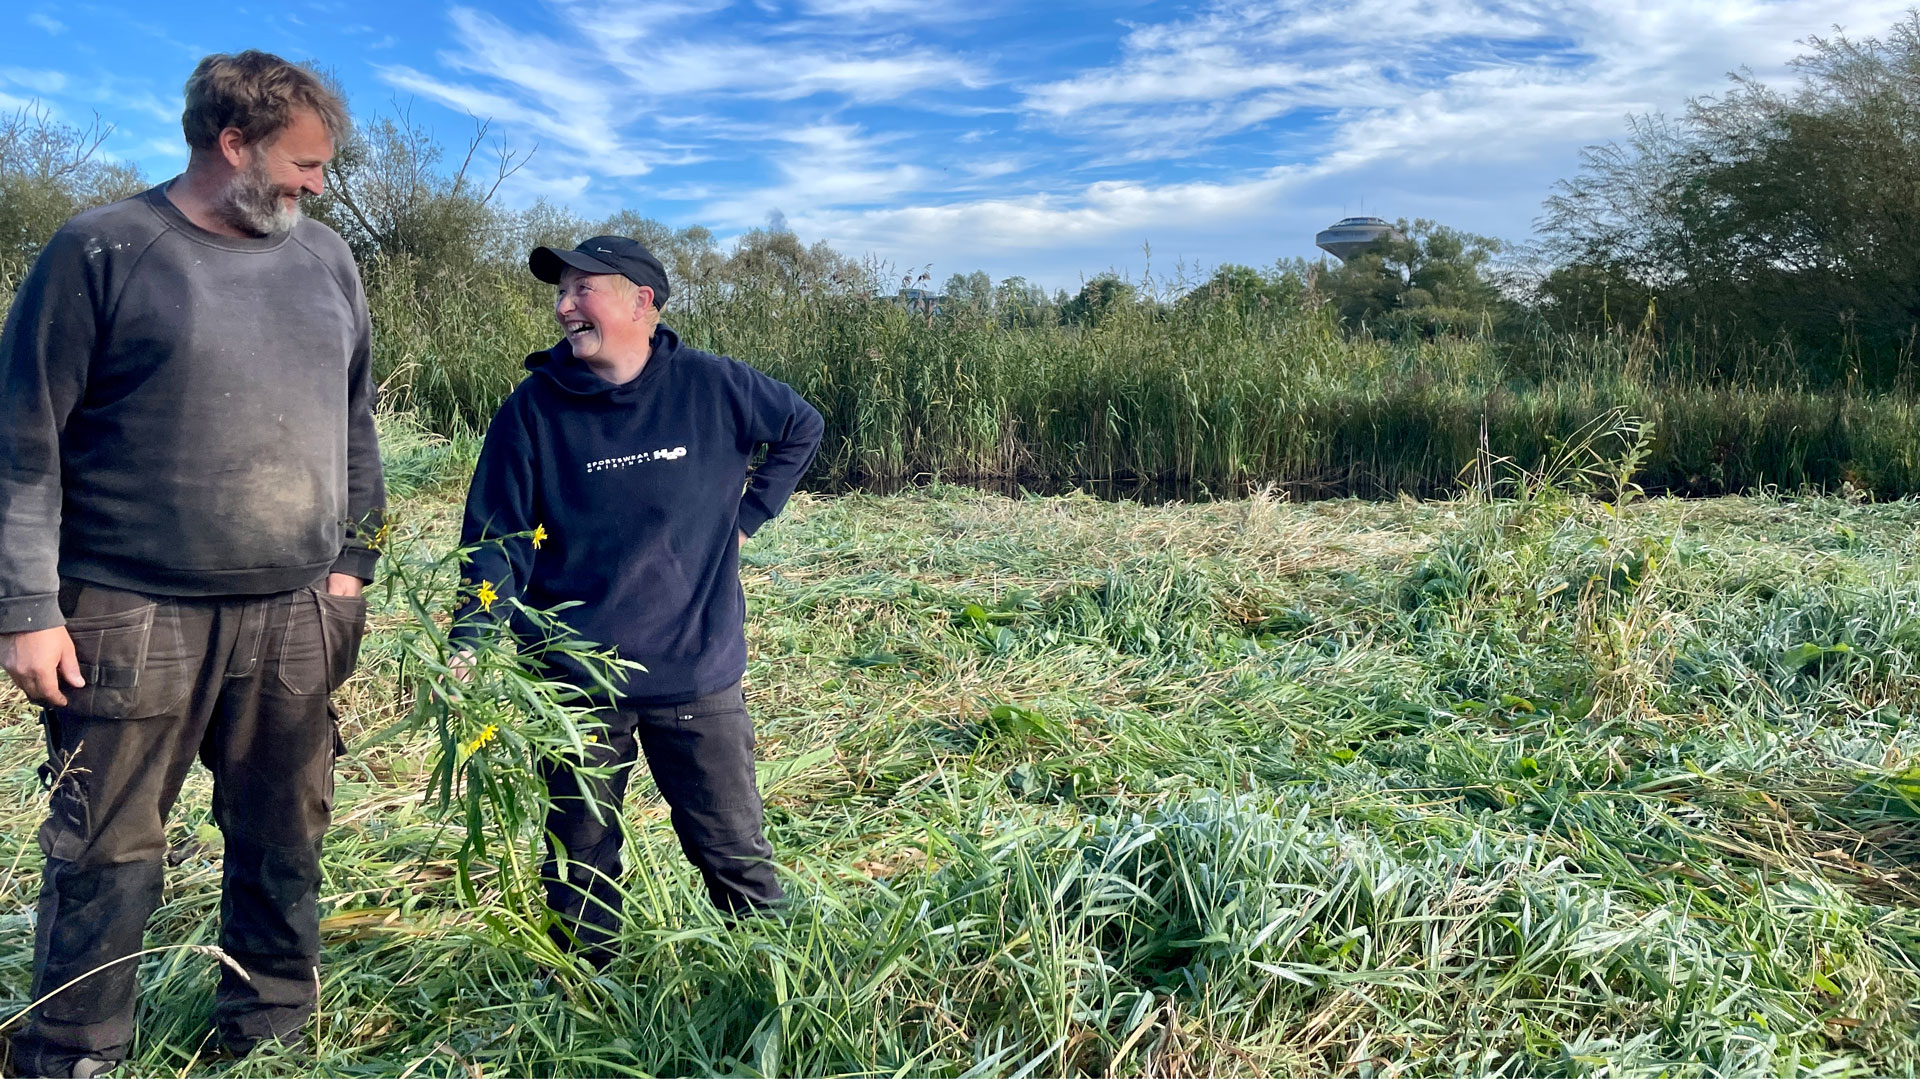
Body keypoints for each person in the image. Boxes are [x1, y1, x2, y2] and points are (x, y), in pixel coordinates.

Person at [0, 52, 384, 1077]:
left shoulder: (328, 261)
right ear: (233, 144)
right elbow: (25, 442)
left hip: (299, 610)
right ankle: (75, 1048)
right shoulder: (104, 249)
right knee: (107, 848)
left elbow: (356, 422)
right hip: (130, 612)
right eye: (303, 164)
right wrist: (27, 606)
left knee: (285, 829)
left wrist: (353, 564)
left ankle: (269, 1032)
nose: (316, 184)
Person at [452, 235, 823, 965]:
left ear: (640, 301)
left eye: (581, 290)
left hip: (694, 669)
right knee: (577, 864)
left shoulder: (714, 386)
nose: (562, 307)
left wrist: (746, 519)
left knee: (734, 856)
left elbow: (800, 427)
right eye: (559, 293)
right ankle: (588, 1000)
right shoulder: (533, 412)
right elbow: (496, 538)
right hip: (573, 683)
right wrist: (473, 635)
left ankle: (773, 987)